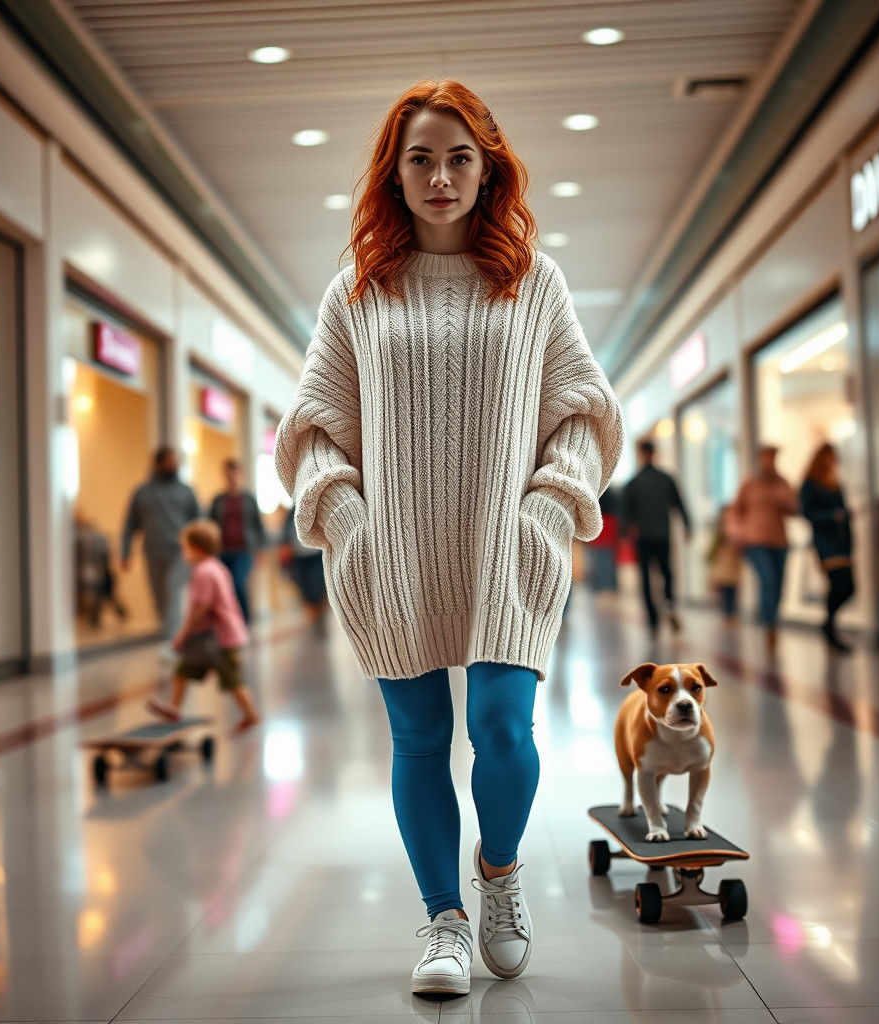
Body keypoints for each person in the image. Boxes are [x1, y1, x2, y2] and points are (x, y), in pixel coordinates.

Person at [273, 80, 623, 997]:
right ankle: (444, 919)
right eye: (420, 158)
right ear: (394, 172)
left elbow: (583, 415)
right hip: (391, 555)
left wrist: (550, 508)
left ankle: (499, 875)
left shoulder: (532, 281)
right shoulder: (356, 291)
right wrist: (346, 520)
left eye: (459, 158)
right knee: (421, 737)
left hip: (506, 548)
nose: (440, 177)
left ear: (488, 167)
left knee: (503, 731)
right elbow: (314, 426)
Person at [146, 520, 261, 732]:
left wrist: (183, 633)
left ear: (196, 548)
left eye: (185, 548)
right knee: (184, 669)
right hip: (219, 637)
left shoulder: (203, 572)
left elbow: (201, 607)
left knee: (233, 680)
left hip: (218, 638)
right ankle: (174, 708)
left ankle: (251, 714)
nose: (184, 553)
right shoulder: (216, 567)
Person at [120, 445, 200, 640]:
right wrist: (125, 553)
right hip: (153, 553)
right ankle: (172, 633)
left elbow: (199, 522)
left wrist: (200, 550)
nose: (174, 464)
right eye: (170, 460)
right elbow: (130, 525)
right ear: (158, 463)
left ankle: (172, 642)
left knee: (172, 590)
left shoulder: (186, 491)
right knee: (160, 599)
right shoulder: (142, 493)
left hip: (181, 553)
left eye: (176, 461)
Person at [732, 444, 797, 652]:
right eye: (766, 457)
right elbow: (736, 511)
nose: (769, 462)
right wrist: (738, 533)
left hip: (779, 540)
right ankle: (770, 624)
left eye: (772, 458)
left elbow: (793, 507)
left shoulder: (782, 482)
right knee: (768, 580)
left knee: (778, 584)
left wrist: (778, 490)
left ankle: (773, 619)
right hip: (755, 541)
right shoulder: (750, 484)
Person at [622, 439, 691, 634]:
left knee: (645, 578)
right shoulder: (666, 479)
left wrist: (625, 533)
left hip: (642, 537)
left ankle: (653, 621)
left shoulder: (633, 483)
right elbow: (679, 503)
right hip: (663, 534)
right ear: (654, 453)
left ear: (641, 454)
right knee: (667, 571)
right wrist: (687, 525)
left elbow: (626, 513)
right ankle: (669, 602)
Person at [800, 443, 854, 653]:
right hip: (826, 542)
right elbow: (807, 512)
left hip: (842, 542)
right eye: (828, 456)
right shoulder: (810, 484)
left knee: (848, 586)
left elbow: (843, 511)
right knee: (841, 584)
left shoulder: (835, 483)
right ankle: (830, 627)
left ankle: (829, 624)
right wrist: (832, 516)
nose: (831, 460)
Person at [208, 458, 268, 624]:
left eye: (234, 474)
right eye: (228, 474)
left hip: (244, 550)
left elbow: (259, 525)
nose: (232, 477)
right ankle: (229, 620)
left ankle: (245, 620)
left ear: (240, 475)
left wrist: (262, 550)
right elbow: (211, 525)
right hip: (223, 551)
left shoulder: (249, 499)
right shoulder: (218, 500)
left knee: (238, 582)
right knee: (225, 586)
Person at [278, 504, 328, 628]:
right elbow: (285, 533)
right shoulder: (292, 511)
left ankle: (319, 609)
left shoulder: (316, 506)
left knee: (317, 584)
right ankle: (313, 610)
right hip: (298, 556)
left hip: (316, 554)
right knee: (303, 585)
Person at [706, 504, 741, 624]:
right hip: (722, 570)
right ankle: (727, 614)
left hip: (732, 570)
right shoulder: (719, 536)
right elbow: (711, 553)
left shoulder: (736, 535)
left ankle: (729, 614)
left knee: (731, 592)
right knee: (725, 593)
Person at [584, 487, 620, 593]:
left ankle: (601, 585)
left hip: (600, 528)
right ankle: (610, 585)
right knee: (607, 558)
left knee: (599, 558)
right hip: (608, 527)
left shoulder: (594, 492)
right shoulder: (611, 493)